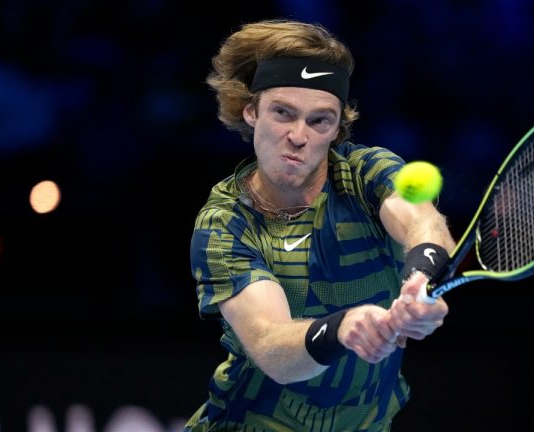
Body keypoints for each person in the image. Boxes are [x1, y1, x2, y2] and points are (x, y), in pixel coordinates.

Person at [185, 18, 456, 432]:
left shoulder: (366, 173)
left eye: (319, 121)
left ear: (336, 129)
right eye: (283, 113)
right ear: (251, 111)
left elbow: (423, 221)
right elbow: (271, 346)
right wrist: (341, 329)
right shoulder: (225, 223)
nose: (299, 136)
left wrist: (421, 280)